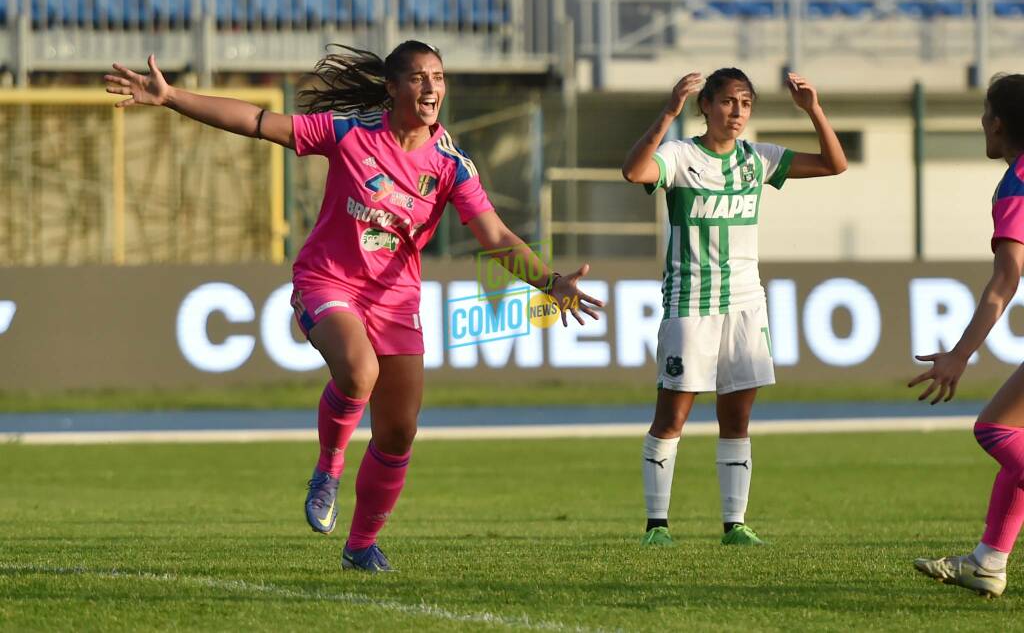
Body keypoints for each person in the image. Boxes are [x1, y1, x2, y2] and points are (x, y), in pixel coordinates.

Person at [105, 41, 602, 573]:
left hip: (396, 301)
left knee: (399, 430)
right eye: (418, 77)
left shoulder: (452, 166)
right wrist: (173, 96)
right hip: (327, 280)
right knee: (359, 371)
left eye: (438, 76)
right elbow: (258, 121)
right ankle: (328, 467)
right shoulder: (349, 133)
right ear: (392, 88)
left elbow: (495, 234)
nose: (431, 87)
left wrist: (549, 282)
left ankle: (361, 546)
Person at [621, 68, 847, 547]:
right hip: (689, 304)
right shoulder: (681, 156)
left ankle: (735, 524)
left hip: (746, 305)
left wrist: (813, 109)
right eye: (727, 101)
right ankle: (657, 525)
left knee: (737, 419)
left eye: (745, 103)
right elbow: (635, 171)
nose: (737, 112)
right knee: (672, 418)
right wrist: (667, 112)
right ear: (706, 105)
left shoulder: (757, 160)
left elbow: (835, 165)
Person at [910, 73, 1024, 599]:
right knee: (1013, 430)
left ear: (998, 123)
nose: (981, 122)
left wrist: (959, 355)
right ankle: (988, 561)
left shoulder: (1016, 185)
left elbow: (1005, 282)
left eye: (984, 112)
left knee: (994, 430)